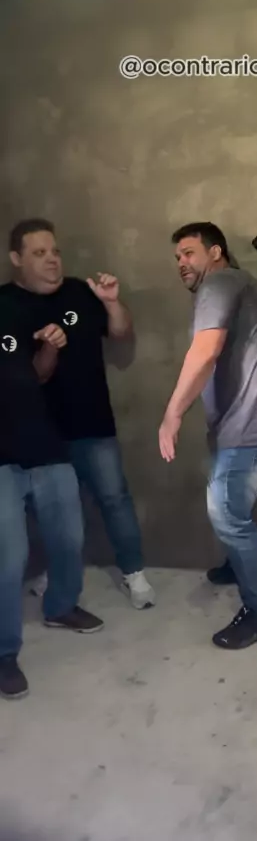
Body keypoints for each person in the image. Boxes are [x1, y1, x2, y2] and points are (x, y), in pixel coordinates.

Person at [159, 222, 257, 649]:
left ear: (215, 252)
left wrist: (172, 413)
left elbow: (206, 351)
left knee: (225, 512)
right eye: (177, 257)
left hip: (249, 420)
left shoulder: (219, 283)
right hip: (249, 418)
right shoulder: (241, 285)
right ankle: (236, 562)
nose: (181, 263)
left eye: (189, 253)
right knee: (233, 502)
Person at [2, 219, 155, 610]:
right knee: (54, 514)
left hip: (92, 421)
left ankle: (134, 573)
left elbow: (120, 332)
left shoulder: (79, 292)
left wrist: (111, 302)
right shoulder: (4, 304)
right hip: (38, 434)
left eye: (55, 251)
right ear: (16, 259)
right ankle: (60, 575)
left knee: (113, 498)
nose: (52, 260)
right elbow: (28, 374)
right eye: (39, 253)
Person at [0, 293, 104, 700]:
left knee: (69, 538)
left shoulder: (9, 312)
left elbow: (38, 375)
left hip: (44, 446)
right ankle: (4, 653)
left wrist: (50, 346)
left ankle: (60, 607)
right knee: (9, 558)